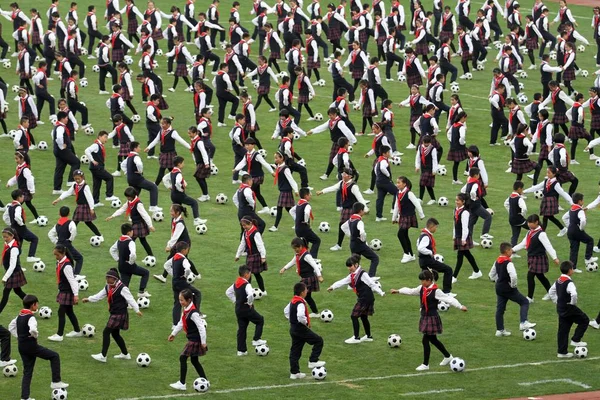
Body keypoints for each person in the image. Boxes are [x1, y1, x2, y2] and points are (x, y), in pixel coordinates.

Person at [391, 269, 466, 370]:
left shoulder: (436, 291)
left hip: (431, 318)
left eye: (423, 281)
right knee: (433, 339)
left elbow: (449, 299)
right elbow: (411, 291)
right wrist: (398, 291)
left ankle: (425, 364)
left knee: (425, 340)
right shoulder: (422, 288)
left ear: (429, 280)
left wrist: (460, 306)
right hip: (425, 317)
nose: (421, 283)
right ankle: (448, 356)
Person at [8, 294, 69, 399]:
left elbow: (11, 327)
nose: (38, 305)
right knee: (54, 356)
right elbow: (32, 330)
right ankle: (56, 381)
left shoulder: (19, 315)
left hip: (21, 346)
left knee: (27, 372)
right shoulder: (31, 317)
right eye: (37, 303)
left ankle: (25, 397)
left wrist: (19, 337)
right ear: (33, 305)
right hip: (31, 346)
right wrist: (35, 335)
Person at [83, 268, 142, 363]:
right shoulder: (108, 287)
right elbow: (99, 295)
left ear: (115, 279)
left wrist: (137, 310)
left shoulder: (122, 288)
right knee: (115, 334)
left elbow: (130, 299)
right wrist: (89, 299)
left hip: (119, 314)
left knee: (106, 332)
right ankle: (125, 354)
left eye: (109, 278)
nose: (107, 279)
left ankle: (103, 356)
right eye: (106, 277)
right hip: (114, 313)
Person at [327, 254, 385, 344]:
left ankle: (356, 338)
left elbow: (371, 283)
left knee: (354, 316)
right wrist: (333, 287)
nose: (349, 268)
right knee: (363, 316)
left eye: (350, 266)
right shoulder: (353, 275)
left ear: (356, 265)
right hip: (366, 298)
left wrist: (380, 292)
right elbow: (343, 281)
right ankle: (368, 336)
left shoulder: (362, 274)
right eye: (348, 266)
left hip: (365, 298)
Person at [489, 242, 536, 337]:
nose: (512, 251)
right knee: (524, 302)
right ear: (507, 251)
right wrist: (513, 285)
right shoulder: (508, 262)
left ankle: (500, 330)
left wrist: (498, 280)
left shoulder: (497, 261)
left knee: (500, 309)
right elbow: (513, 276)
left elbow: (491, 275)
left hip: (499, 288)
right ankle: (523, 322)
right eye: (511, 250)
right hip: (508, 288)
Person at [317, 168, 369, 252]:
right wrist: (323, 191)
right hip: (345, 209)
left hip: (352, 210)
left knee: (354, 228)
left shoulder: (353, 186)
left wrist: (365, 208)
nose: (342, 175)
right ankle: (340, 244)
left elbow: (360, 198)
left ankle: (363, 244)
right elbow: (333, 188)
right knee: (342, 226)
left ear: (350, 176)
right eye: (343, 173)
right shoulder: (342, 183)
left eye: (344, 174)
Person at [512, 214, 559, 302]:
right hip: (532, 257)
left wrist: (554, 257)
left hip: (538, 257)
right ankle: (551, 292)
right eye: (528, 222)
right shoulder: (530, 232)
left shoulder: (541, 234)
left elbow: (548, 246)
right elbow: (523, 243)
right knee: (540, 276)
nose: (528, 224)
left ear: (536, 222)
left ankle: (530, 297)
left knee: (530, 276)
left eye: (530, 223)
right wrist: (512, 250)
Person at [167, 288, 208, 391]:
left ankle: (182, 383)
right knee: (194, 360)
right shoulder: (186, 309)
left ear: (189, 300)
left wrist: (203, 342)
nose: (180, 302)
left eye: (182, 300)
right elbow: (181, 322)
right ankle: (205, 380)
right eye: (179, 300)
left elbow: (201, 327)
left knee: (183, 357)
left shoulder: (193, 313)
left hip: (195, 339)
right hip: (193, 338)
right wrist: (173, 334)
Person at [548, 261, 590, 358]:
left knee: (563, 329)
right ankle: (576, 340)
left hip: (561, 308)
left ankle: (562, 352)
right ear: (570, 270)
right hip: (569, 308)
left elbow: (551, 291)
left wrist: (556, 301)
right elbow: (574, 294)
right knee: (584, 320)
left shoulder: (559, 280)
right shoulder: (569, 283)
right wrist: (573, 304)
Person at [284, 282, 325, 379]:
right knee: (318, 340)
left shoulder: (293, 300)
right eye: (306, 290)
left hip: (293, 329)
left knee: (295, 351)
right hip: (300, 329)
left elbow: (286, 311)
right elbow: (301, 316)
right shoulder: (300, 303)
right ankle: (313, 361)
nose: (307, 291)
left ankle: (294, 373)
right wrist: (305, 322)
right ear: (302, 292)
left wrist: (292, 320)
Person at [225, 265, 267, 356]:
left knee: (242, 329)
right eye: (249, 273)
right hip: (246, 308)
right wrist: (250, 303)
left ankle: (241, 350)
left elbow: (228, 292)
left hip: (238, 309)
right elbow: (251, 295)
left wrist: (235, 301)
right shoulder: (247, 284)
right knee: (260, 320)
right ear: (246, 274)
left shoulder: (236, 283)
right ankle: (256, 339)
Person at [52, 169, 103, 239]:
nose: (77, 180)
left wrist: (92, 208)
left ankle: (99, 235)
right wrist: (58, 199)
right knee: (76, 222)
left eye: (78, 179)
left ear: (82, 177)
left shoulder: (85, 187)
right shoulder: (74, 185)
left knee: (83, 222)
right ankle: (66, 236)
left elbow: (90, 198)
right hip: (79, 206)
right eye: (75, 179)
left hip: (85, 207)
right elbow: (68, 193)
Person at [280, 237, 323, 317]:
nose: (295, 250)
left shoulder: (306, 255)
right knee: (307, 297)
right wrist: (284, 268)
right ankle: (315, 312)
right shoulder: (298, 254)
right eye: (294, 248)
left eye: (296, 248)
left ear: (300, 246)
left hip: (308, 278)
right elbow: (292, 262)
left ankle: (289, 312)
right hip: (305, 278)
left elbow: (314, 265)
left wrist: (319, 276)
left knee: (298, 294)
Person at [524, 166, 573, 235]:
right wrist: (525, 191)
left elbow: (563, 193)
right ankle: (562, 229)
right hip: (546, 201)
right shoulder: (546, 181)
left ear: (554, 174)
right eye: (547, 172)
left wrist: (571, 202)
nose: (547, 174)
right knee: (548, 217)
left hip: (551, 202)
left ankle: (542, 233)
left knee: (546, 217)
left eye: (549, 173)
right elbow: (536, 187)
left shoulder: (556, 184)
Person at [47, 245, 82, 342]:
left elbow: (72, 280)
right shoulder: (60, 263)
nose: (56, 257)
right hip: (63, 290)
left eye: (57, 255)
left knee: (61, 312)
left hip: (67, 291)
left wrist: (76, 295)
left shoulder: (67, 266)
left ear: (63, 254)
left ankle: (59, 334)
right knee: (69, 311)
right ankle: (77, 330)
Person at [144, 117, 191, 187]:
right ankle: (182, 182)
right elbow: (156, 140)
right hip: (164, 154)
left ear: (168, 124)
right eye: (161, 123)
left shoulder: (173, 132)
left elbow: (181, 140)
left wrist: (190, 147)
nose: (162, 125)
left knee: (162, 170)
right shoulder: (161, 131)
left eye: (164, 124)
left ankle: (156, 184)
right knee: (172, 170)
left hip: (170, 154)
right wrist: (148, 147)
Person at [109, 223, 151, 298]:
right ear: (129, 232)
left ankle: (124, 302)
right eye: (132, 231)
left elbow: (112, 250)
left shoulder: (119, 241)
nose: (133, 232)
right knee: (146, 273)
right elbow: (133, 254)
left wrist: (118, 259)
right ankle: (141, 291)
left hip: (121, 266)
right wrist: (131, 262)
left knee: (125, 286)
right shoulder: (131, 242)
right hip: (129, 266)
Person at [562, 193, 597, 273]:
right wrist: (581, 228)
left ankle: (573, 268)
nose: (583, 202)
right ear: (579, 201)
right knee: (590, 240)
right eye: (582, 200)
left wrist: (569, 226)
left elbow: (564, 218)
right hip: (577, 231)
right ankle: (588, 258)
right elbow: (583, 220)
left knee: (574, 249)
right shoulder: (580, 210)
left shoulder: (572, 209)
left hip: (570, 231)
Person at [121, 142, 161, 212]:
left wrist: (127, 172)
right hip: (137, 179)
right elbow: (139, 164)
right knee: (153, 187)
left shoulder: (129, 156)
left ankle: (131, 214)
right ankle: (153, 206)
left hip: (130, 179)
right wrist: (140, 171)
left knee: (134, 197)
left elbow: (122, 165)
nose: (140, 148)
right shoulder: (136, 156)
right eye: (139, 147)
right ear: (135, 148)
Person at [393, 176, 425, 263]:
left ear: (404, 184)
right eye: (397, 182)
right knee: (405, 235)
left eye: (399, 183)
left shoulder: (409, 193)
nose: (397, 184)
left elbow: (417, 204)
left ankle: (406, 253)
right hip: (402, 217)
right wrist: (394, 217)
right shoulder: (398, 193)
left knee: (400, 234)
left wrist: (421, 215)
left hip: (409, 216)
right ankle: (411, 254)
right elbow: (396, 206)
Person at [3, 189, 40, 263]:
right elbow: (17, 216)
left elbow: (5, 217)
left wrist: (11, 224)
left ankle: (17, 265)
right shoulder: (18, 207)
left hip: (13, 229)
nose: (23, 197)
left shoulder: (10, 206)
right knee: (34, 239)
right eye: (22, 196)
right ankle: (31, 256)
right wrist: (21, 224)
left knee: (17, 247)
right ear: (19, 197)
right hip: (20, 229)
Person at [48, 206, 84, 278]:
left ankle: (64, 275)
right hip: (66, 244)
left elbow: (50, 234)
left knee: (63, 260)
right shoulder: (70, 223)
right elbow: (73, 230)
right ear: (69, 213)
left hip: (59, 245)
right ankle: (75, 275)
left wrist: (56, 242)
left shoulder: (57, 225)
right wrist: (70, 239)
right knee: (79, 258)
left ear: (59, 213)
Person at [452, 192, 481, 281]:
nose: (456, 202)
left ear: (463, 201)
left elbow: (465, 227)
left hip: (463, 236)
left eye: (458, 200)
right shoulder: (456, 210)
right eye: (456, 200)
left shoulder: (464, 212)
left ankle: (454, 276)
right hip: (458, 235)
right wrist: (454, 235)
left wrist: (464, 239)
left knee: (460, 256)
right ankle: (477, 271)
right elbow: (455, 224)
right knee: (467, 254)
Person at [235, 216, 268, 293]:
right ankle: (259, 291)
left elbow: (260, 245)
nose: (244, 227)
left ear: (250, 224)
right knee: (250, 274)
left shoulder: (256, 233)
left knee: (252, 274)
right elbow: (242, 244)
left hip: (256, 256)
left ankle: (256, 291)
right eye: (242, 226)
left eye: (245, 225)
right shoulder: (245, 233)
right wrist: (238, 255)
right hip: (249, 256)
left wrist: (263, 256)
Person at [169, 156, 206, 226]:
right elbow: (177, 182)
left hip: (173, 194)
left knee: (176, 210)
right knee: (194, 203)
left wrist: (170, 187)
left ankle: (173, 224)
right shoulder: (178, 173)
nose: (184, 164)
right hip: (179, 194)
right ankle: (196, 219)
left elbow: (165, 179)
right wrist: (181, 189)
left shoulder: (172, 172)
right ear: (179, 164)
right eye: (183, 163)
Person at [84, 130, 117, 206]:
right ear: (100, 137)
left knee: (97, 184)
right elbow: (87, 150)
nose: (106, 139)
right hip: (97, 168)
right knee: (109, 178)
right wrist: (93, 160)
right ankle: (109, 195)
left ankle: (95, 202)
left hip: (94, 168)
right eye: (105, 137)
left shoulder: (100, 145)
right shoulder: (96, 145)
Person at [51, 111, 80, 195]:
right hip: (62, 150)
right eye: (66, 118)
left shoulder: (57, 126)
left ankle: (57, 189)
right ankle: (71, 181)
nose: (67, 119)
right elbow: (59, 137)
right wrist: (61, 146)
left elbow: (53, 135)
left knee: (60, 168)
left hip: (57, 150)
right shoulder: (61, 127)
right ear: (62, 118)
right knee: (76, 162)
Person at [270, 151, 300, 232]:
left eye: (276, 158)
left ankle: (275, 226)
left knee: (279, 208)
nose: (275, 159)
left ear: (282, 158)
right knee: (289, 209)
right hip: (283, 190)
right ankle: (299, 222)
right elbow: (275, 167)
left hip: (286, 191)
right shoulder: (279, 166)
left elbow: (291, 180)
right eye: (275, 158)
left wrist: (296, 190)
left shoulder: (285, 169)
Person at [0, 227, 27, 315]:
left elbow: (12, 265)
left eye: (6, 237)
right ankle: (31, 304)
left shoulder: (14, 248)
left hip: (13, 273)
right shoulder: (8, 244)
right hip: (11, 272)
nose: (5, 239)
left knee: (6, 292)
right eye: (3, 237)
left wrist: (5, 277)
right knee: (17, 291)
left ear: (12, 236)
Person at [6, 151, 39, 223]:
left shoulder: (25, 169)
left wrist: (32, 190)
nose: (15, 160)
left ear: (22, 159)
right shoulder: (19, 167)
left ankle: (10, 219)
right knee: (28, 204)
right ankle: (37, 218)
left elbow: (30, 179)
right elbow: (17, 177)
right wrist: (10, 182)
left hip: (24, 190)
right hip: (22, 189)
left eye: (17, 159)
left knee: (16, 204)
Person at [461, 167, 493, 241]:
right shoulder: (475, 183)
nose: (479, 176)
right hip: (476, 205)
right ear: (476, 175)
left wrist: (467, 198)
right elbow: (472, 192)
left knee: (471, 222)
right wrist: (474, 198)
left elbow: (462, 190)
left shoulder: (469, 182)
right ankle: (484, 234)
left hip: (470, 205)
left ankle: (469, 239)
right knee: (488, 217)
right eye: (478, 174)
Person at [289, 188, 321, 258]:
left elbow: (291, 211)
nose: (310, 196)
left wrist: (297, 220)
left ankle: (303, 260)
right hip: (304, 229)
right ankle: (313, 259)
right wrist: (306, 221)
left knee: (304, 247)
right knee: (317, 241)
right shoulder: (307, 205)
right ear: (306, 196)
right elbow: (306, 213)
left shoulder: (299, 203)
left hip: (298, 229)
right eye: (309, 194)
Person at [372, 145, 397, 221]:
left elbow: (376, 170)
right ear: (384, 153)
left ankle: (378, 216)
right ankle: (393, 209)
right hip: (384, 181)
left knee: (380, 199)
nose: (389, 153)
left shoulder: (379, 160)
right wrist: (388, 174)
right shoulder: (383, 161)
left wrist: (379, 177)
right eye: (388, 152)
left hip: (378, 182)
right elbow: (382, 168)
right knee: (397, 192)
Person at [415, 135, 438, 205]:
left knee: (422, 183)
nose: (426, 144)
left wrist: (434, 170)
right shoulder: (420, 148)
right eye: (425, 143)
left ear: (430, 142)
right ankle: (433, 199)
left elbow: (434, 160)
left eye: (427, 143)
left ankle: (420, 199)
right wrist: (417, 166)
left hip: (430, 169)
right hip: (423, 168)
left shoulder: (432, 149)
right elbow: (418, 157)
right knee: (428, 185)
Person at [504, 181, 528, 247]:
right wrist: (522, 215)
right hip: (519, 219)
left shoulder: (510, 197)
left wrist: (510, 212)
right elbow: (524, 208)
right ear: (519, 189)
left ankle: (513, 251)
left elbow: (505, 204)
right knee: (533, 229)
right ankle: (528, 244)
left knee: (515, 235)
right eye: (522, 189)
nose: (522, 190)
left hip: (511, 219)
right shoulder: (519, 199)